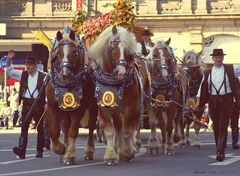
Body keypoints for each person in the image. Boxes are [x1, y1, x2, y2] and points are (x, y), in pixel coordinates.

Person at [196, 48, 240, 162]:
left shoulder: (231, 69)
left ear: (223, 58)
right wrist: (198, 102)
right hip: (213, 101)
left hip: (227, 101)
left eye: (220, 57)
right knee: (216, 127)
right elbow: (203, 87)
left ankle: (220, 151)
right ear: (213, 59)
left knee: (222, 127)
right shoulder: (207, 72)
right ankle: (219, 147)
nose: (218, 59)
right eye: (216, 57)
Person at [5, 50, 47, 159]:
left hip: (39, 104)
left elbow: (48, 90)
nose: (27, 66)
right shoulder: (23, 74)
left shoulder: (44, 76)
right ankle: (21, 151)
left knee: (39, 128)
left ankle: (39, 150)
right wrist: (9, 59)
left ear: (35, 65)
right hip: (27, 104)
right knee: (24, 127)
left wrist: (47, 102)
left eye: (30, 65)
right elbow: (9, 70)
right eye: (26, 64)